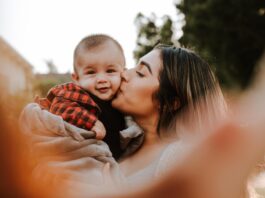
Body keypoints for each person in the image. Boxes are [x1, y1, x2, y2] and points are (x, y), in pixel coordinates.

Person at [19, 44, 230, 194]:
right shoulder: (122, 141)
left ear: (171, 101)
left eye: (140, 73)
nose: (124, 74)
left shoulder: (182, 158)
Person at [35, 34, 142, 160]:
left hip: (112, 164)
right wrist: (90, 122)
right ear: (76, 79)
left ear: (123, 73)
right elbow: (60, 106)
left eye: (110, 71)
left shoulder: (122, 99)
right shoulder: (77, 94)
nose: (101, 79)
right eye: (91, 72)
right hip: (80, 160)